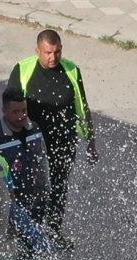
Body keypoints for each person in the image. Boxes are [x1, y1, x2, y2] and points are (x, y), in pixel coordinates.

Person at [10, 30, 93, 235]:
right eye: (48, 52)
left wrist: (91, 141)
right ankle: (30, 233)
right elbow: (10, 108)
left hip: (64, 141)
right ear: (37, 50)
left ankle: (54, 232)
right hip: (33, 144)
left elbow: (83, 106)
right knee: (32, 188)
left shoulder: (72, 69)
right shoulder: (23, 70)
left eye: (57, 52)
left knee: (59, 188)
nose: (53, 57)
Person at [0, 93, 54, 249]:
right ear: (4, 111)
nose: (21, 116)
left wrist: (47, 189)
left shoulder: (34, 129)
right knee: (19, 251)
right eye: (16, 112)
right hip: (16, 207)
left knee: (34, 251)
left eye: (24, 110)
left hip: (38, 200)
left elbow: (43, 160)